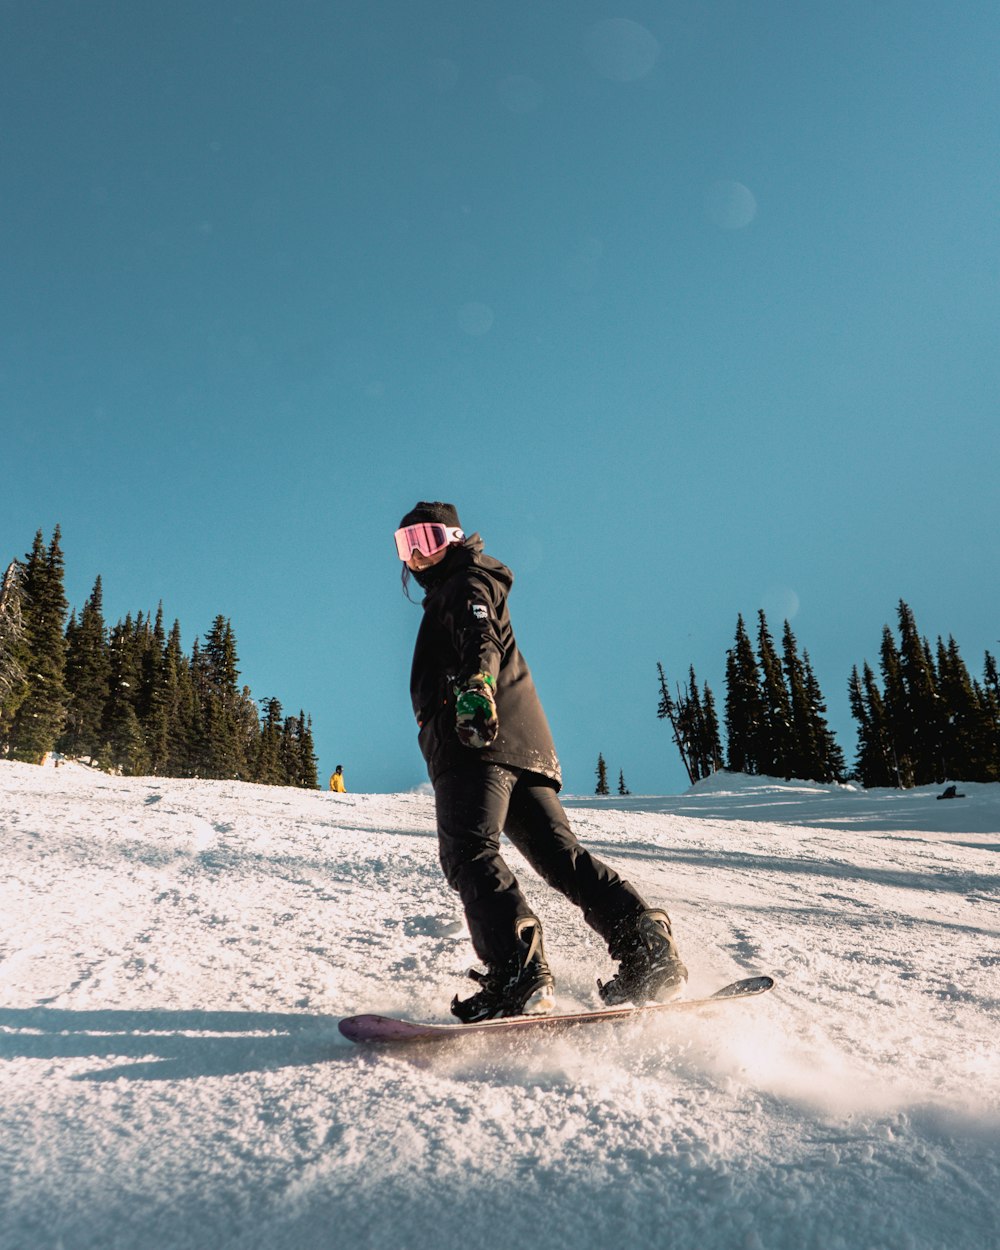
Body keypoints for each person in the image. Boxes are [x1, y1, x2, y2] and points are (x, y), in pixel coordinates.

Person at [394, 501, 688, 1022]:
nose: (418, 555)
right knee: (559, 857)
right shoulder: (466, 585)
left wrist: (477, 689)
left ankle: (517, 972)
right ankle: (650, 955)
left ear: (455, 538)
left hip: (477, 740)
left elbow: (479, 639)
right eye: (406, 545)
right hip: (524, 747)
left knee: (469, 850)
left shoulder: (464, 586)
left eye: (428, 539)